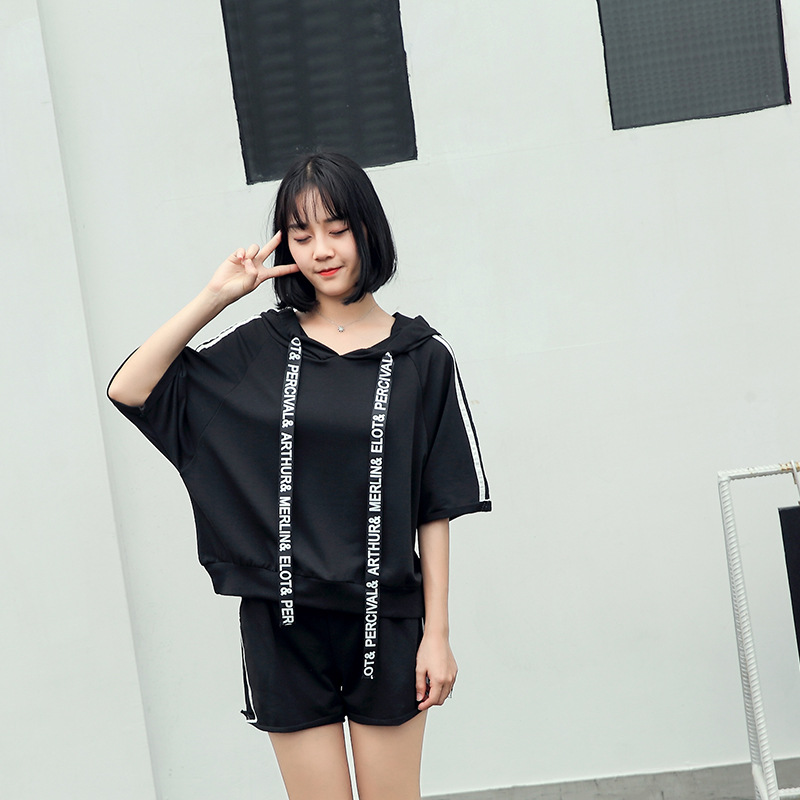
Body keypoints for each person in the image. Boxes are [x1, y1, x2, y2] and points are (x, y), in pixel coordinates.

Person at [108, 152, 491, 800]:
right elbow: (132, 388)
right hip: (283, 623)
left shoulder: (422, 357)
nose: (322, 250)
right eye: (302, 234)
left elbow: (436, 503)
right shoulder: (261, 347)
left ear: (368, 230)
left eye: (337, 229)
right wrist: (217, 296)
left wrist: (438, 634)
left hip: (387, 619)